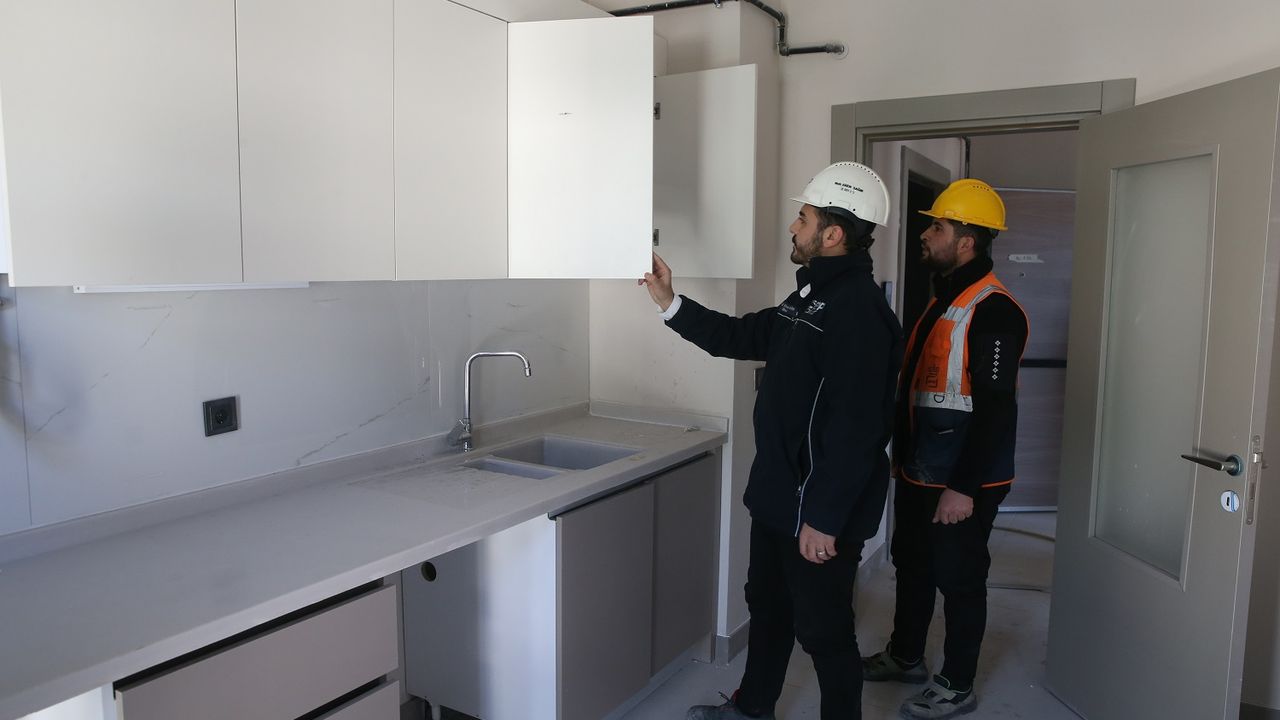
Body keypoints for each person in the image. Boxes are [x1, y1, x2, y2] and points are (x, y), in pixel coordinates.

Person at [639, 162, 903, 720]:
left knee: (824, 631)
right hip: (781, 495)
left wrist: (824, 518)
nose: (792, 227)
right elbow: (740, 335)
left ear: (832, 234)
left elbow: (857, 430)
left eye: (802, 218)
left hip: (819, 511)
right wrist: (669, 301)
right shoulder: (808, 299)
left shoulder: (859, 312)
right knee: (768, 608)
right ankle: (753, 708)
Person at [861, 179, 1029, 719]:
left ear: (967, 241)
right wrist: (902, 454)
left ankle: (957, 683)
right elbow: (921, 385)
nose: (926, 234)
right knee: (913, 565)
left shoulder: (994, 310)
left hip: (964, 479)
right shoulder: (944, 299)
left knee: (960, 579)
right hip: (922, 469)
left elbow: (995, 409)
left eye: (938, 226)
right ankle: (906, 656)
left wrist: (963, 487)